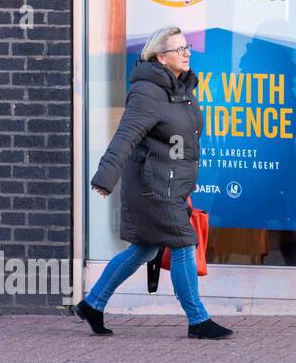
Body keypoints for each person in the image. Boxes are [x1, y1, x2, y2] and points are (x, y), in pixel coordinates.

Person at [75, 26, 232, 340]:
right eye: (179, 49)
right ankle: (198, 320)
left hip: (171, 184)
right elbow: (125, 136)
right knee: (184, 243)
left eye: (187, 47)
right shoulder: (147, 92)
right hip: (152, 186)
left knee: (144, 249)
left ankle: (93, 303)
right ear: (161, 57)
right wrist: (106, 177)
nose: (187, 53)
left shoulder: (179, 89)